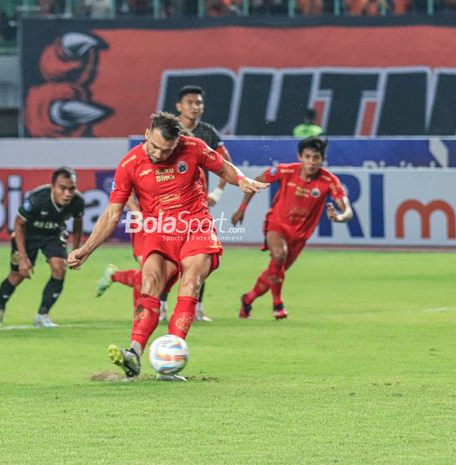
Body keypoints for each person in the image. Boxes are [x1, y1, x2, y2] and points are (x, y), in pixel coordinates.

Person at [68, 112, 267, 379]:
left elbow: (223, 166)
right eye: (155, 147)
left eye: (167, 150)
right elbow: (112, 214)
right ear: (147, 134)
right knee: (149, 283)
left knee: (191, 281)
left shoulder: (192, 147)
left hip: (196, 226)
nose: (160, 155)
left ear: (178, 143)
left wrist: (241, 180)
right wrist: (86, 249)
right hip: (158, 231)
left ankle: (170, 361)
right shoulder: (129, 164)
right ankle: (134, 353)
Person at [96, 85, 234, 323]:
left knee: (198, 259)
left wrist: (217, 193)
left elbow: (226, 163)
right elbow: (125, 185)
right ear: (179, 106)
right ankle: (152, 306)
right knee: (156, 269)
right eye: (190, 102)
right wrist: (137, 212)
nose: (195, 107)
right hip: (157, 216)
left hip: (191, 206)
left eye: (199, 103)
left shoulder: (207, 133)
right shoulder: (164, 134)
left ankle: (193, 307)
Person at [231, 136, 352, 320]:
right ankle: (278, 304)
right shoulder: (286, 170)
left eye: (316, 158)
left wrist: (339, 217)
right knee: (279, 255)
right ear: (300, 156)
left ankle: (248, 299)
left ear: (322, 159)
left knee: (274, 271)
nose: (311, 162)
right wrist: (241, 209)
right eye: (307, 156)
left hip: (300, 236)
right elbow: (256, 180)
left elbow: (347, 210)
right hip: (276, 225)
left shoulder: (329, 180)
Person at [0, 167, 84, 328]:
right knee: (17, 275)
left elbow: (78, 222)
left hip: (53, 234)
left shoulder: (78, 201)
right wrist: (23, 258)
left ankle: (42, 315)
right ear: (53, 187)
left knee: (59, 269)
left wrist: (76, 250)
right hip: (27, 236)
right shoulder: (37, 199)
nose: (68, 193)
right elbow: (18, 224)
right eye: (63, 188)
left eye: (71, 188)